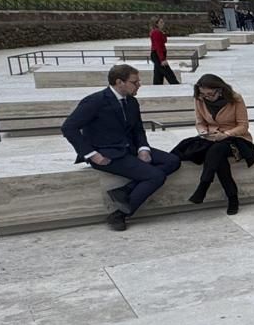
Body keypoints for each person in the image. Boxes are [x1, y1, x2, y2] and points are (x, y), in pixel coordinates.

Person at [61, 64, 181, 231]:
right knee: (155, 176)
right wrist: (92, 154)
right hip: (106, 153)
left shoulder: (132, 102)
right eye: (135, 81)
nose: (139, 84)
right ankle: (120, 214)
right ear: (119, 82)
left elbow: (138, 129)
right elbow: (69, 128)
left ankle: (124, 190)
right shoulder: (96, 101)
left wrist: (143, 149)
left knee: (173, 161)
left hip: (128, 148)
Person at [169, 73, 254, 215]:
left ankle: (203, 186)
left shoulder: (235, 99)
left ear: (220, 90)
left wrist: (226, 134)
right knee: (217, 156)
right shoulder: (199, 99)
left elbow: (243, 126)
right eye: (203, 94)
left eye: (210, 94)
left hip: (235, 138)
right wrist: (204, 132)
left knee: (217, 149)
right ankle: (232, 198)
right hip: (211, 138)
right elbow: (199, 122)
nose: (206, 97)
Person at [148, 17, 180, 86]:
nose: (163, 23)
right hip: (157, 54)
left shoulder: (159, 32)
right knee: (167, 72)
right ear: (156, 24)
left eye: (163, 22)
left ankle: (157, 87)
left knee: (158, 73)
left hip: (159, 54)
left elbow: (164, 41)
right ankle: (176, 85)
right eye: (161, 22)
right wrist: (162, 59)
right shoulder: (156, 32)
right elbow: (158, 46)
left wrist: (163, 33)